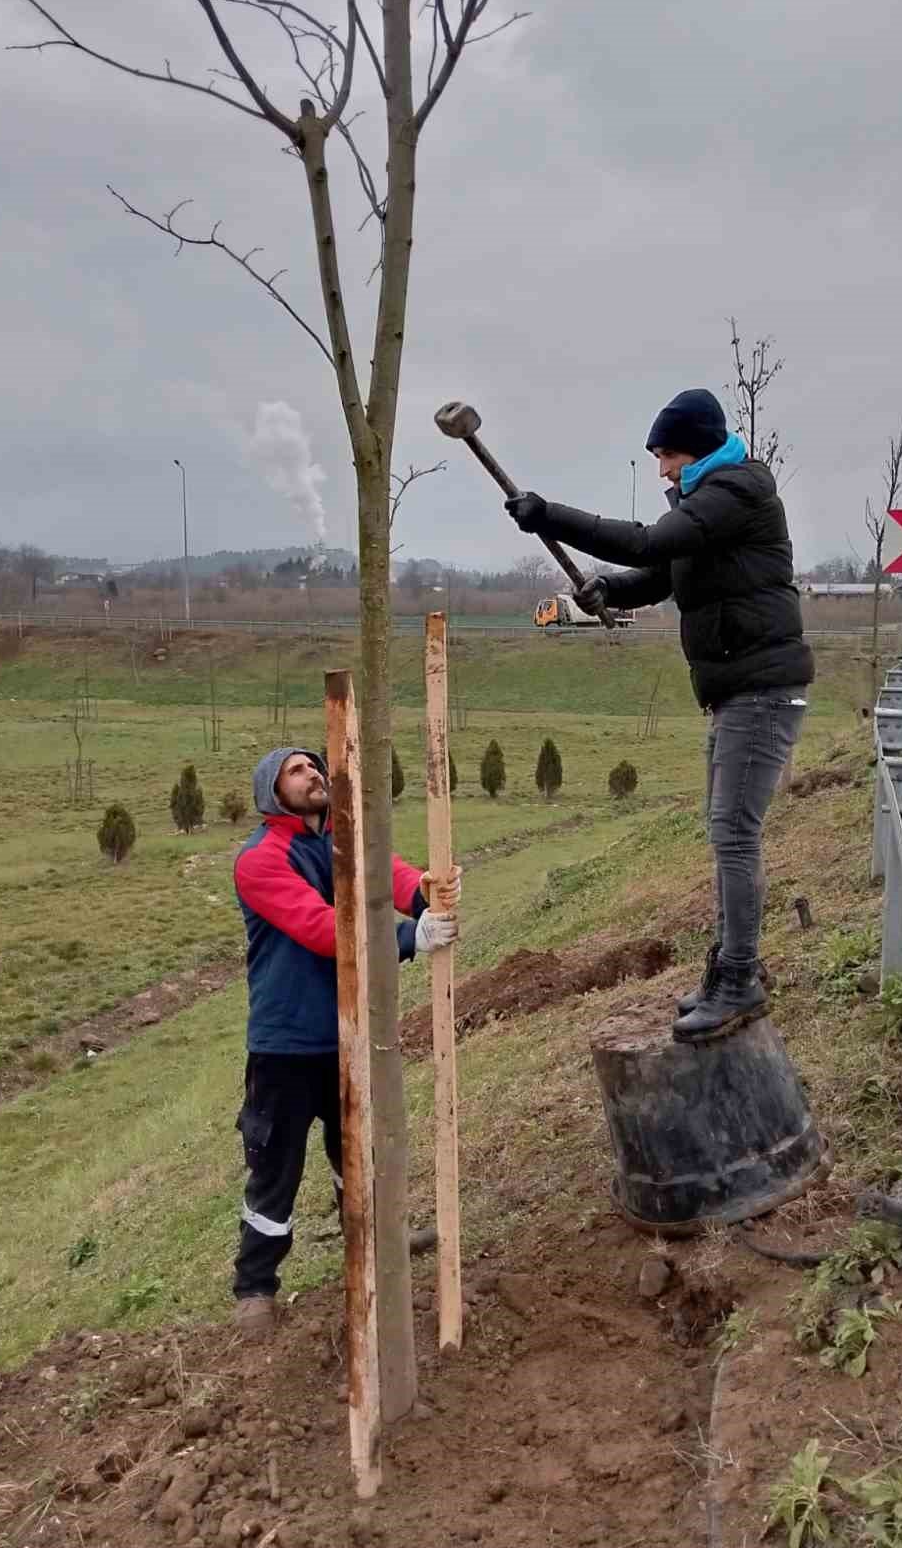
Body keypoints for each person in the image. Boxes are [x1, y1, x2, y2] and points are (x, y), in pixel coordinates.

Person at [505, 387, 813, 1043]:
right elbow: (662, 574)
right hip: (736, 690)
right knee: (723, 830)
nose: (662, 469)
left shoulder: (736, 493)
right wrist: (607, 589)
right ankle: (725, 971)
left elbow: (647, 544)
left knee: (734, 833)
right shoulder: (706, 502)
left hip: (763, 688)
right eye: (657, 457)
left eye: (668, 454)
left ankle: (740, 980)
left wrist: (549, 515)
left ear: (697, 446)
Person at [231, 746, 460, 1339]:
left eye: (314, 765)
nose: (312, 774)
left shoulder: (342, 841)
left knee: (355, 1150)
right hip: (285, 1045)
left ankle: (376, 1245)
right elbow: (321, 928)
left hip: (348, 1029)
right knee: (275, 1170)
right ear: (272, 792)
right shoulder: (261, 859)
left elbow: (388, 873)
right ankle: (255, 1288)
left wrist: (428, 891)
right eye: (297, 770)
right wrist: (412, 937)